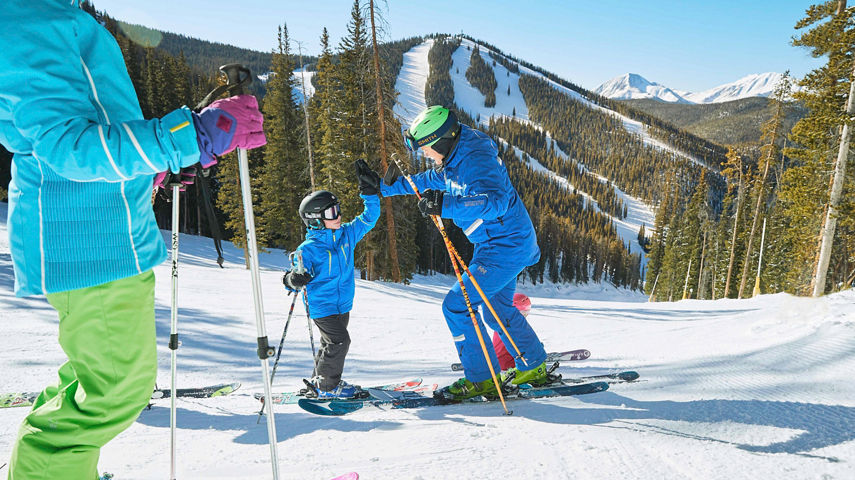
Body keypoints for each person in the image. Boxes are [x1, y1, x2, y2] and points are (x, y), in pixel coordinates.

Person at [0, 2, 266, 478]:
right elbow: (68, 148)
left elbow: (89, 123)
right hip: (87, 240)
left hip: (106, 231)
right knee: (116, 388)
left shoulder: (45, 12)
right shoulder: (27, 17)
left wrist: (153, 167)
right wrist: (190, 138)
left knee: (98, 380)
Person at [378, 105, 549, 400]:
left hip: (505, 246)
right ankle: (533, 365)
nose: (426, 156)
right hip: (498, 243)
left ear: (442, 140)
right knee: (496, 310)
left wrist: (445, 205)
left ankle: (482, 379)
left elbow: (494, 201)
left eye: (428, 149)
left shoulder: (476, 160)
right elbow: (430, 182)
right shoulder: (456, 154)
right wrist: (383, 188)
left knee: (457, 305)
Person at [282, 160, 381, 399]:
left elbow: (370, 218)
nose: (337, 216)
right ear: (314, 219)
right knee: (339, 342)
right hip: (322, 307)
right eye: (330, 213)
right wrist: (294, 279)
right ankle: (328, 386)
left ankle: (319, 380)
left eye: (337, 210)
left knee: (330, 344)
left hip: (343, 304)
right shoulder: (309, 249)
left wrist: (370, 193)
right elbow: (291, 276)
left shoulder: (346, 234)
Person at [493, 293, 532, 372]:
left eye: (528, 311)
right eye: (523, 312)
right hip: (509, 365)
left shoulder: (504, 320)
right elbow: (523, 344)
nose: (525, 315)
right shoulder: (512, 325)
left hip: (500, 361)